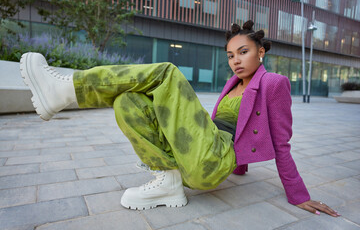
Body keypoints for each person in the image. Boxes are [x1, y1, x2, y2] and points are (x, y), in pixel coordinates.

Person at [19, 20, 340, 217]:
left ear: (261, 52)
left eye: (243, 51)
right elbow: (233, 125)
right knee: (127, 101)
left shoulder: (274, 83)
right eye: (230, 55)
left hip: (214, 161)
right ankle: (168, 180)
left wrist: (299, 195)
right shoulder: (233, 85)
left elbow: (280, 141)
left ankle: (69, 90)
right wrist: (242, 169)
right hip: (196, 158)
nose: (235, 60)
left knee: (167, 73)